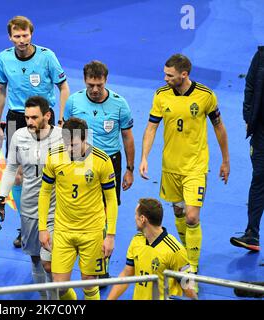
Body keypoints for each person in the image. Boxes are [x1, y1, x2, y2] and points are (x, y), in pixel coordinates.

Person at [139, 54, 230, 280]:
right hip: (170, 167)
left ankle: (193, 267)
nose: (165, 78)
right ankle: (187, 255)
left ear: (184, 74)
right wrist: (144, 157)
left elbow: (219, 127)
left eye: (169, 75)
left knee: (191, 217)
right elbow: (151, 128)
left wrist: (226, 160)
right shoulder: (161, 95)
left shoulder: (206, 96)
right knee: (178, 212)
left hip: (195, 167)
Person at [0, 15, 70, 247]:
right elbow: (0, 90)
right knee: (18, 173)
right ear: (10, 37)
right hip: (17, 117)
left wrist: (61, 120)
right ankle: (25, 224)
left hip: (45, 116)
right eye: (17, 36)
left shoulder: (47, 57)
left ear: (32, 34)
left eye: (25, 35)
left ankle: (53, 222)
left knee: (49, 168)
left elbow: (64, 87)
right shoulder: (4, 58)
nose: (21, 40)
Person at [63, 60, 135, 282]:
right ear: (85, 81)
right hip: (80, 161)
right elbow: (65, 133)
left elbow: (127, 138)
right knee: (81, 207)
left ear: (106, 80)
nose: (94, 90)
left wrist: (130, 169)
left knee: (104, 213)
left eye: (99, 85)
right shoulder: (73, 101)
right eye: (90, 84)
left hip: (110, 162)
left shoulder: (120, 104)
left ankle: (99, 263)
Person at [38, 117, 118, 300]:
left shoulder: (102, 161)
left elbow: (111, 199)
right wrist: (43, 228)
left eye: (73, 144)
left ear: (84, 139)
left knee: (89, 283)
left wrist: (111, 235)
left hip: (92, 231)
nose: (68, 149)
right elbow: (44, 193)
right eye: (65, 143)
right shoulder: (54, 156)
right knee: (60, 288)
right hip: (63, 230)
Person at [0, 96, 62, 300]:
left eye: (34, 117)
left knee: (49, 262)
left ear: (47, 116)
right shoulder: (19, 136)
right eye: (27, 118)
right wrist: (1, 199)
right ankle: (44, 299)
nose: (30, 122)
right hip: (29, 207)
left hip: (56, 208)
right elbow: (11, 169)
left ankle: (55, 302)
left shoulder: (63, 137)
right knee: (35, 259)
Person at [107, 198, 197, 300]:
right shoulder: (136, 241)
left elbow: (189, 288)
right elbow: (127, 273)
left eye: (135, 215)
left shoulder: (176, 251)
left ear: (142, 219)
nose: (134, 218)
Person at [230, 46, 264, 252]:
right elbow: (250, 86)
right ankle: (252, 234)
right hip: (260, 131)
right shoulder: (261, 56)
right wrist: (248, 117)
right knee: (259, 178)